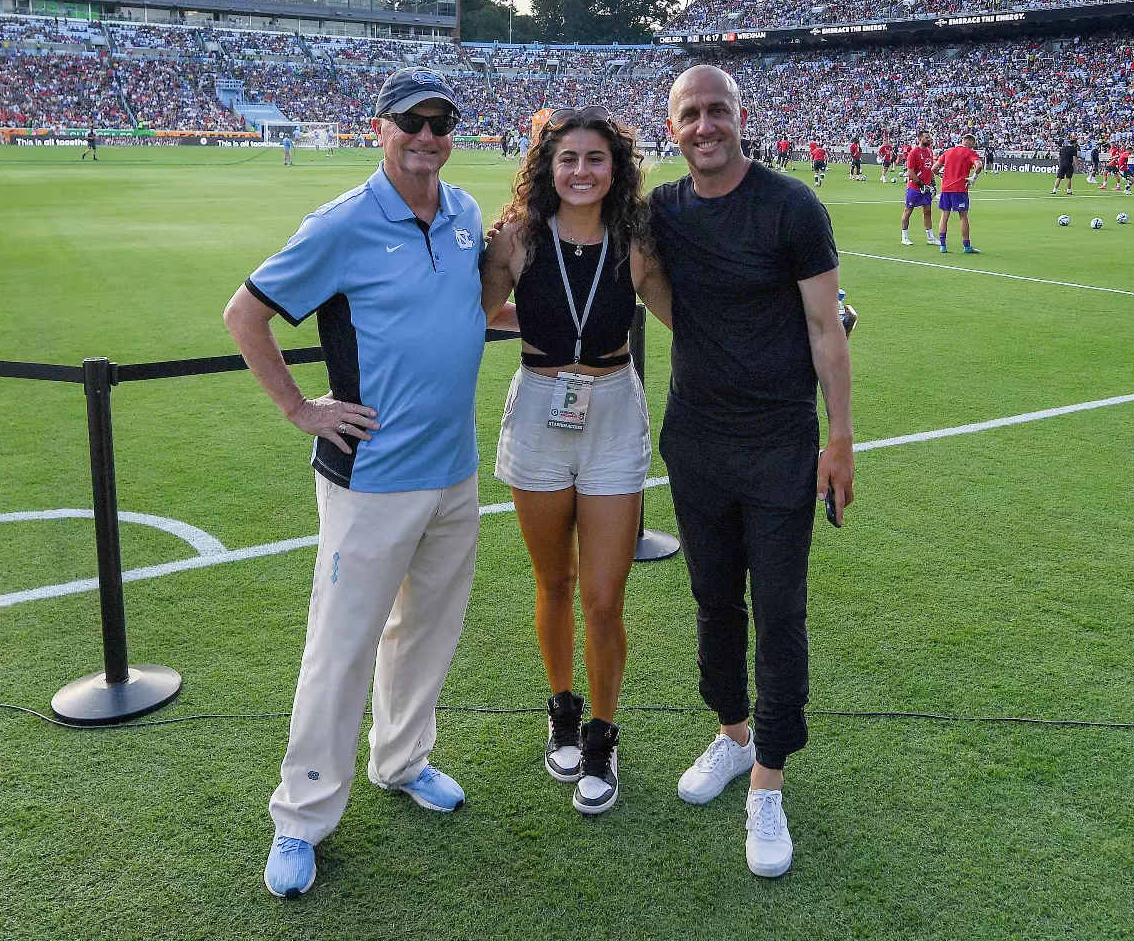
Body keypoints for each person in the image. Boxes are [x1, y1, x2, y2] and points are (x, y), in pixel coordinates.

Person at [223, 68, 500, 899]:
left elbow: (472, 312)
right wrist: (300, 407)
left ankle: (402, 759)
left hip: (454, 472)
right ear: (380, 127)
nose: (426, 135)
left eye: (440, 122)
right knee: (339, 649)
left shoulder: (463, 214)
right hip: (371, 477)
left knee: (425, 634)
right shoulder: (342, 222)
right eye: (411, 121)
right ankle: (301, 814)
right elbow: (245, 312)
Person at [651, 64, 854, 879]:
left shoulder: (791, 205)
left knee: (778, 609)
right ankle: (733, 734)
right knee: (711, 600)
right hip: (694, 439)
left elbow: (827, 326)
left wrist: (839, 439)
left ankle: (768, 776)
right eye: (690, 114)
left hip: (778, 443)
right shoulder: (662, 210)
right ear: (673, 127)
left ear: (741, 117)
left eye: (717, 110)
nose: (705, 125)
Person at [480, 106, 673, 816]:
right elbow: (468, 311)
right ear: (547, 167)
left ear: (615, 168)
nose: (582, 171)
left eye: (596, 158)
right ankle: (562, 706)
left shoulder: (636, 241)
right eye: (568, 159)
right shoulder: (516, 239)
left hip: (614, 414)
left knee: (603, 596)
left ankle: (602, 735)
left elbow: (685, 315)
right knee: (553, 581)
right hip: (537, 410)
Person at [936, 132, 982, 254]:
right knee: (963, 216)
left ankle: (943, 246)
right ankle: (966, 246)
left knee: (944, 216)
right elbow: (979, 166)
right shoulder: (970, 153)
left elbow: (934, 169)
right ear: (970, 142)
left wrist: (942, 175)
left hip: (946, 189)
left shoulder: (948, 151)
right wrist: (974, 177)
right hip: (960, 189)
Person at [901, 128, 938, 247]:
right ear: (920, 139)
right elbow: (910, 172)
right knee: (908, 211)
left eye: (929, 137)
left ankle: (930, 237)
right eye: (927, 137)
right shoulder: (913, 153)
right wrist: (920, 184)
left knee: (927, 211)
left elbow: (930, 169)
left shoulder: (930, 152)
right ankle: (904, 237)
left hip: (926, 187)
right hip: (914, 187)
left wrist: (933, 183)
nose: (929, 139)